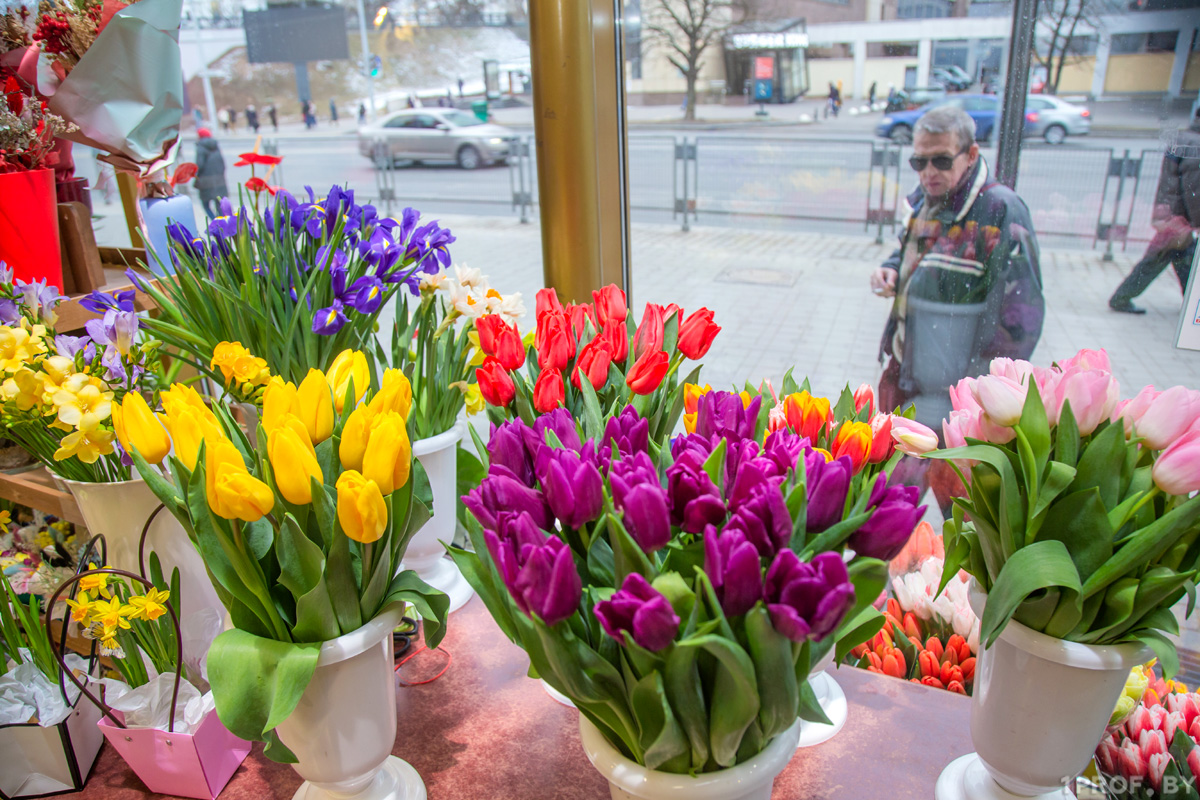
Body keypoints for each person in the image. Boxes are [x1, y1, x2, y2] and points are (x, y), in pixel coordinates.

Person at [870, 105, 1044, 440]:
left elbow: (1022, 317)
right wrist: (892, 268)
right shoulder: (925, 199)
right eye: (919, 161)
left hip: (957, 393)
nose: (928, 172)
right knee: (889, 484)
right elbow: (913, 252)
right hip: (907, 373)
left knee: (952, 489)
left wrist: (978, 393)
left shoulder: (1001, 210)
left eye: (941, 160)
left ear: (971, 153)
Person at [1108, 104, 1200, 314]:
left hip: (1170, 213)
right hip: (1179, 219)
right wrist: (1196, 222)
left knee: (1182, 259)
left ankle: (1191, 305)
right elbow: (1194, 189)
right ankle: (1121, 298)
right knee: (1161, 260)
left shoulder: (1183, 139)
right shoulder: (1196, 145)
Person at [194, 128, 228, 221]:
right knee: (220, 205)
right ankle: (221, 224)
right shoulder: (216, 146)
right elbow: (223, 164)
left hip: (205, 181)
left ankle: (215, 222)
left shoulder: (201, 147)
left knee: (205, 205)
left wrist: (196, 176)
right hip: (219, 180)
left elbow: (199, 165)